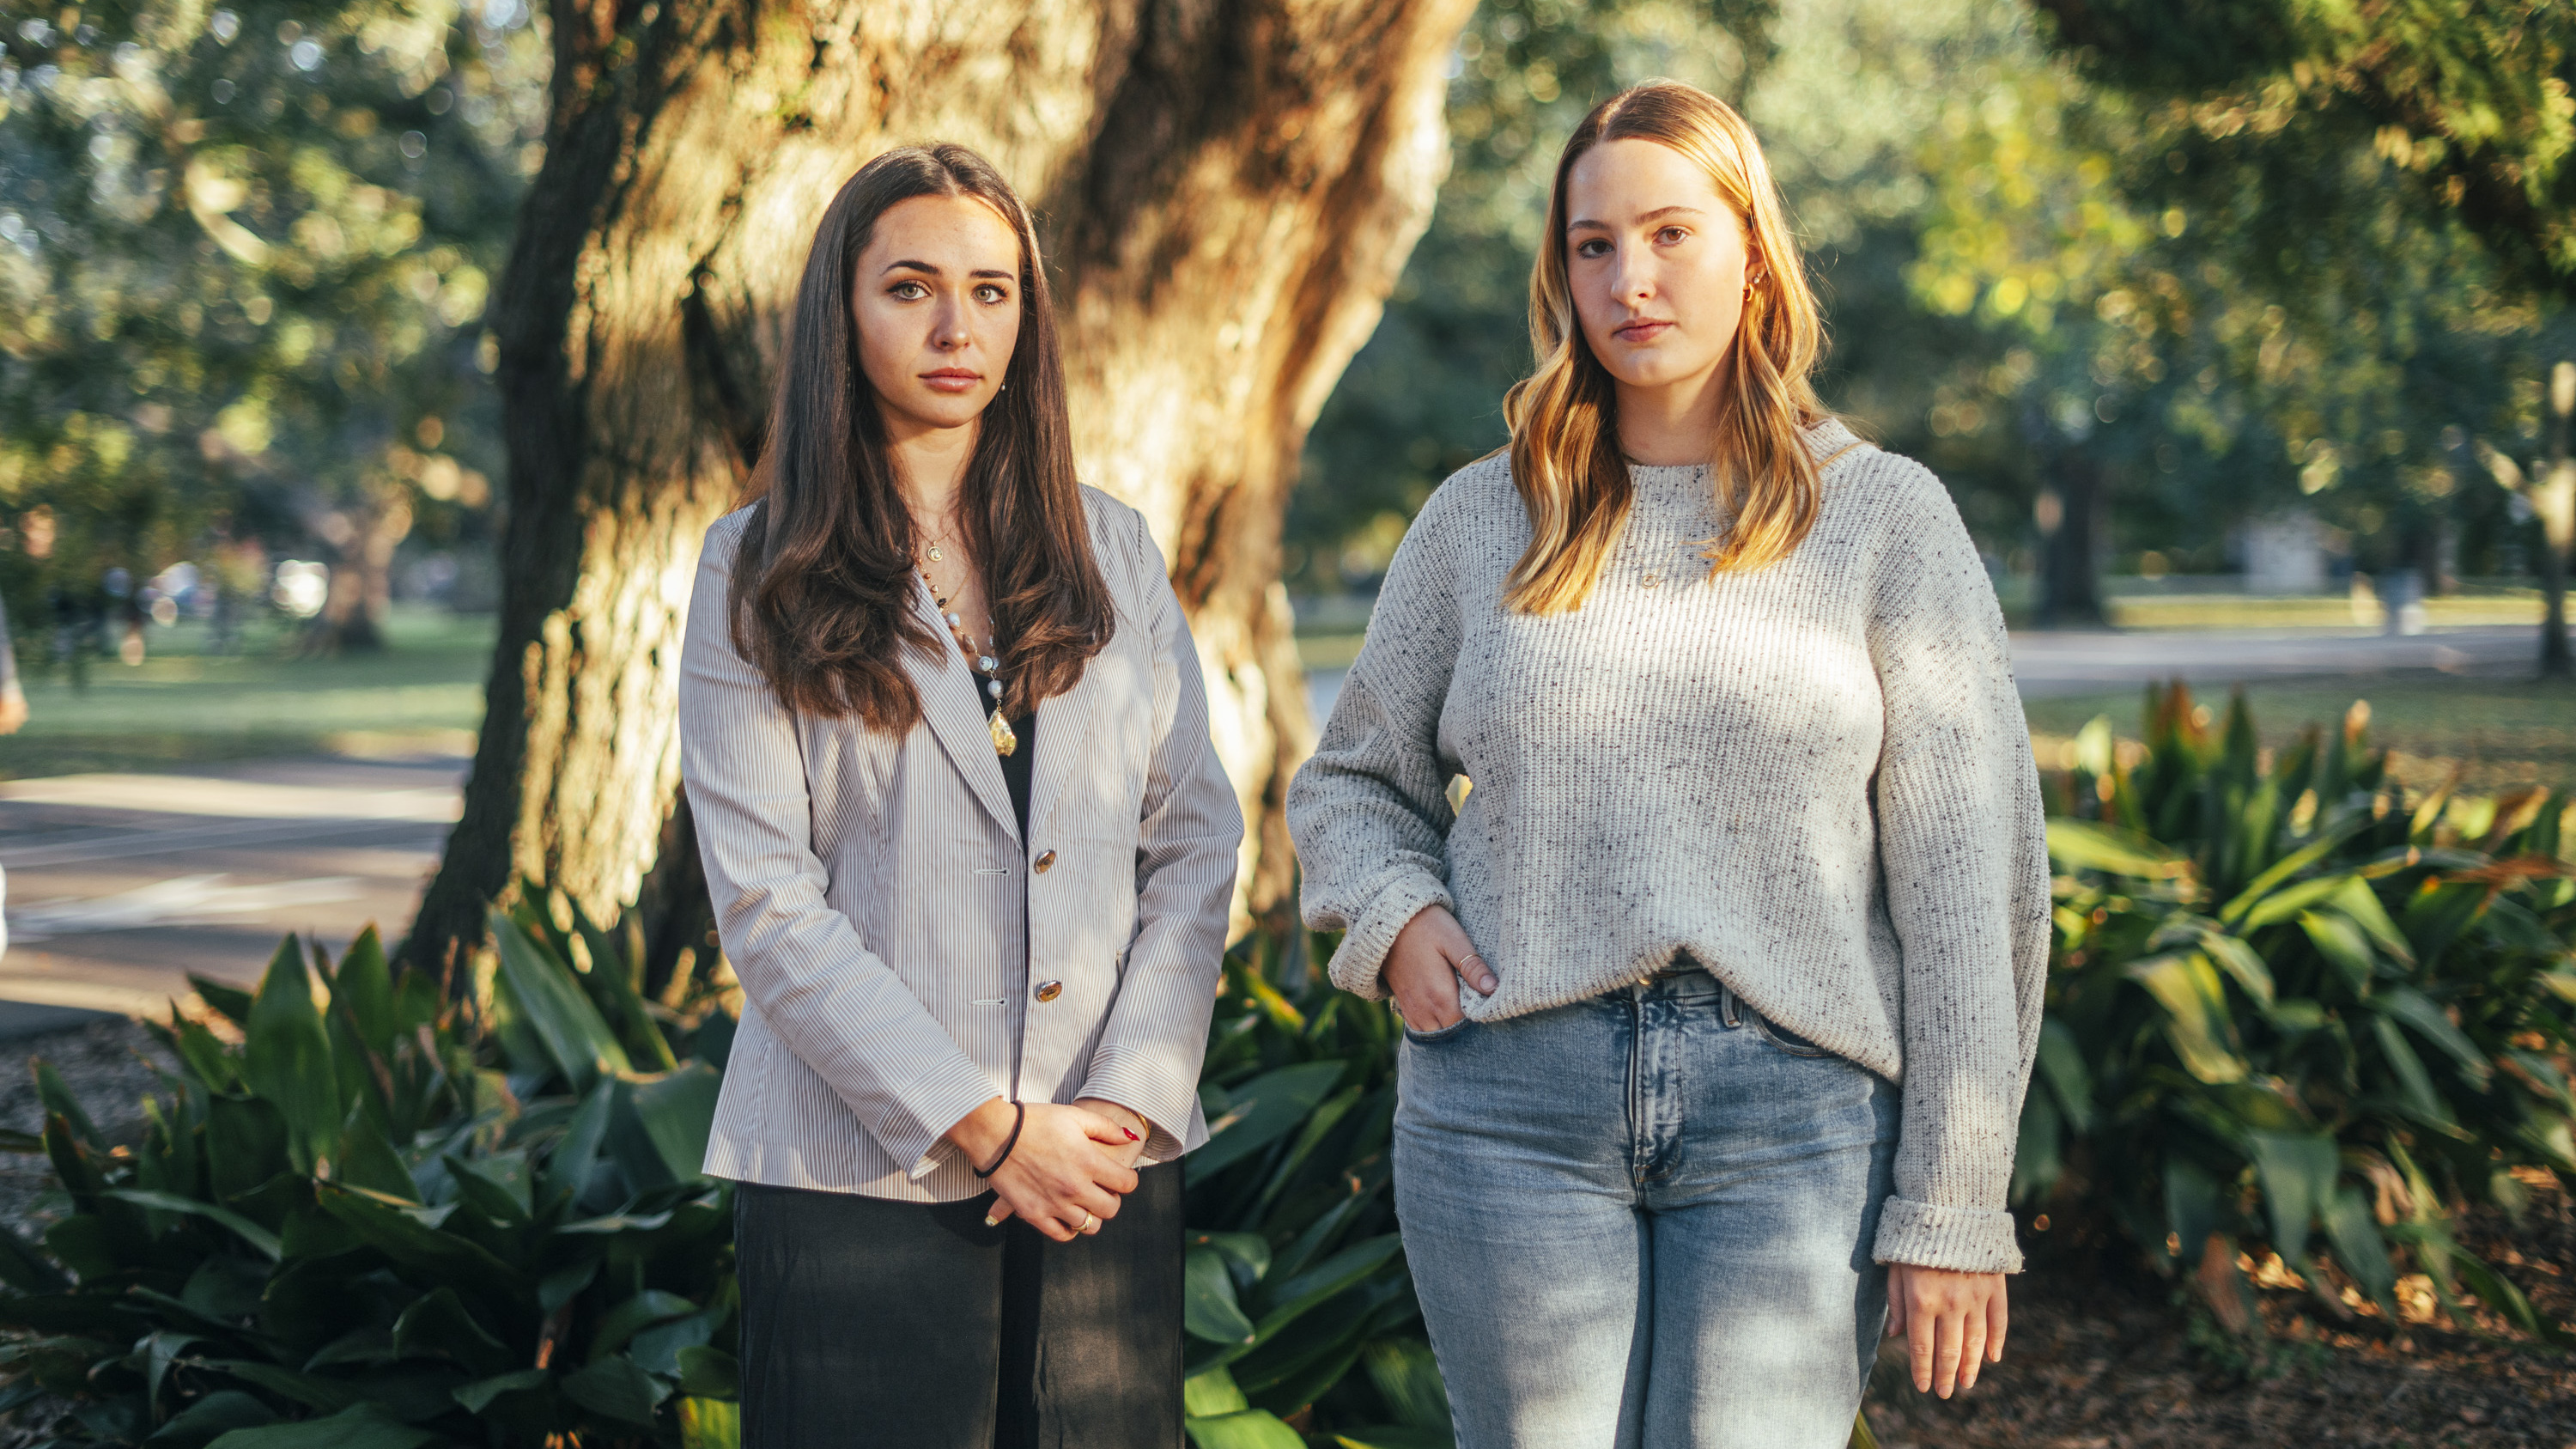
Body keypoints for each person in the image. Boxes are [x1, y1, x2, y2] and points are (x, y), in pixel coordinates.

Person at [1286, 81, 2048, 1449]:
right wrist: (1394, 917)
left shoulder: (1885, 520)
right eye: (1593, 245)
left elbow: (1970, 887)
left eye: (1671, 233)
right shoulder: (1482, 517)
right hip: (1508, 1105)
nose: (1630, 279)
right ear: (1560, 271)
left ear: (1752, 251)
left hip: (1794, 1124)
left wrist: (1955, 1201)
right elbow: (1353, 779)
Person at [677, 143, 1242, 1449]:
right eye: (912, 287)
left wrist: (1120, 1108)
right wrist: (988, 1132)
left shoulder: (1112, 547)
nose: (956, 326)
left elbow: (1195, 839)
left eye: (993, 293)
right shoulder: (753, 567)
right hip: (859, 1176)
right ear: (842, 311)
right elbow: (767, 902)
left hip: (1105, 1166)